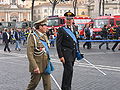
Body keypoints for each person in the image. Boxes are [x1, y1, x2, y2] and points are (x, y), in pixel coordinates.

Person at [56, 10, 81, 90]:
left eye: (70, 19)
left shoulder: (75, 28)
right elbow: (58, 44)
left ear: (72, 20)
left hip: (73, 53)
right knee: (68, 70)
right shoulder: (61, 30)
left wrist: (78, 52)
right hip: (66, 54)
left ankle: (67, 87)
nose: (69, 21)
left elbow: (76, 41)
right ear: (65, 20)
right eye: (67, 19)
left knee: (69, 71)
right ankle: (66, 88)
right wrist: (60, 56)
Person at [26, 18, 51, 90]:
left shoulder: (44, 36)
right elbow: (30, 53)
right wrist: (35, 67)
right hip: (37, 65)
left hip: (46, 64)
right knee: (33, 85)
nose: (47, 27)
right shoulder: (32, 37)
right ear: (40, 27)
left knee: (48, 85)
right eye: (45, 25)